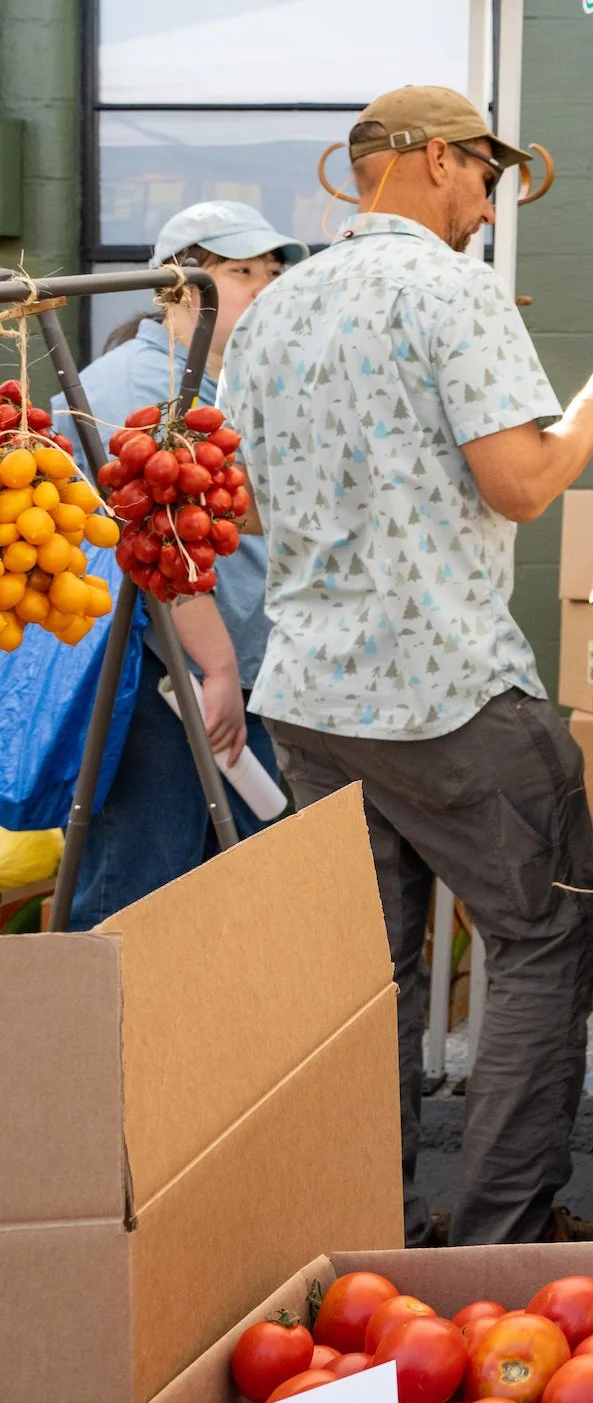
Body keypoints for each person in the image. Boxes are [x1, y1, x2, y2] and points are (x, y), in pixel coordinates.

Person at [216, 85, 593, 1246]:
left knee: (369, 977)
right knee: (544, 935)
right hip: (449, 690)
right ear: (428, 161)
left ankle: (368, 1232)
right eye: (484, 172)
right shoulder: (451, 290)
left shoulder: (269, 311)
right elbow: (521, 482)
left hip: (312, 696)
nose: (488, 201)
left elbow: (249, 504)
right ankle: (497, 1244)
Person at [55, 202, 305, 929]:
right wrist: (217, 665)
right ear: (182, 288)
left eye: (273, 272)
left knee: (228, 905)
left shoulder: (228, 386)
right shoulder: (134, 388)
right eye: (240, 272)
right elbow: (157, 543)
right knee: (138, 900)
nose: (265, 288)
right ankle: (97, 1047)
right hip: (159, 683)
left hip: (232, 678)